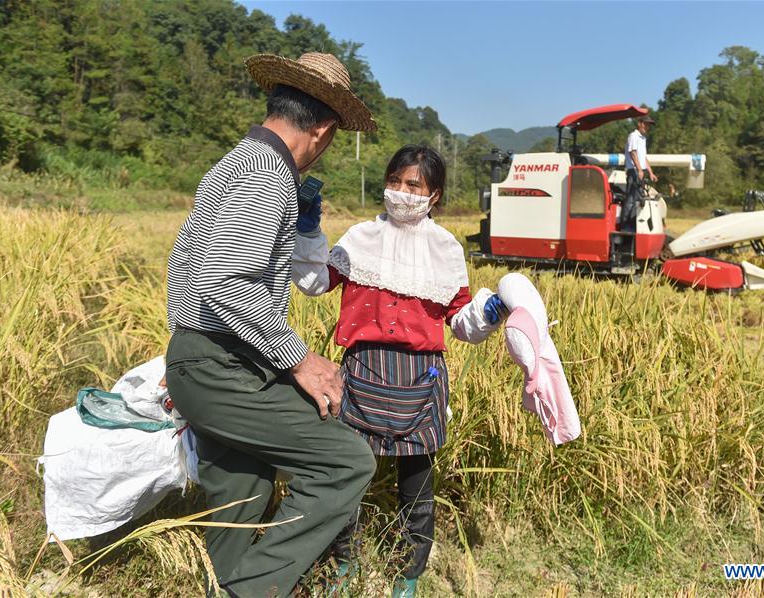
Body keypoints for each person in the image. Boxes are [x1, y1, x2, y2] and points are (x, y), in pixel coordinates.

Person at [163, 52, 378, 597]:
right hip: (221, 364)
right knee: (345, 463)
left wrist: (187, 355)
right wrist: (301, 359)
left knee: (243, 493)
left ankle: (230, 585)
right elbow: (224, 280)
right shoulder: (268, 172)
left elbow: (189, 265)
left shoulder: (240, 158)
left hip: (208, 358)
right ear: (324, 129)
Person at [292, 145, 507, 597]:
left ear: (434, 195)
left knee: (417, 485)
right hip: (362, 368)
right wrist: (308, 230)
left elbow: (461, 323)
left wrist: (490, 310)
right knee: (347, 475)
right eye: (395, 181)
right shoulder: (359, 238)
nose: (401, 192)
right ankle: (343, 563)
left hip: (420, 377)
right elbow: (314, 283)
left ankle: (407, 574)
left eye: (414, 185)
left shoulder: (445, 249)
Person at [621, 114, 657, 230]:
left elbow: (643, 157)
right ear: (639, 123)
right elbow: (633, 153)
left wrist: (650, 172)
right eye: (646, 124)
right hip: (633, 171)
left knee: (638, 199)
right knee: (631, 199)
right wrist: (640, 169)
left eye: (649, 125)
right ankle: (625, 226)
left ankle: (634, 224)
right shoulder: (633, 136)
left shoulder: (643, 138)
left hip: (640, 171)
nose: (647, 127)